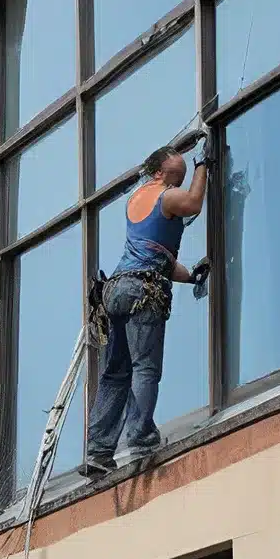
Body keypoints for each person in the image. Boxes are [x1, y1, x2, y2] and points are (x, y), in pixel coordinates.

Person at [84, 134, 211, 475]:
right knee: (145, 368)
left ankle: (98, 451)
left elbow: (159, 258)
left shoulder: (137, 199)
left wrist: (191, 276)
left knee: (114, 373)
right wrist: (203, 165)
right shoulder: (166, 196)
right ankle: (139, 438)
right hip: (143, 291)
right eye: (176, 175)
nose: (179, 181)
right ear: (158, 172)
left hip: (118, 289)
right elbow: (195, 204)